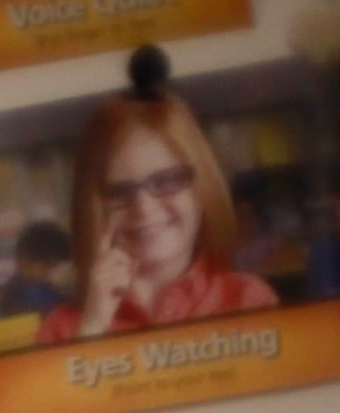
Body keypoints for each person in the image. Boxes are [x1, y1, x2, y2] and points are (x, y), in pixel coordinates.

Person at [50, 56, 278, 338]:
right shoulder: (62, 328)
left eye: (167, 180)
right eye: (120, 191)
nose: (144, 208)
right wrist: (93, 328)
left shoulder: (247, 299)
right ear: (94, 208)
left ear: (201, 190)